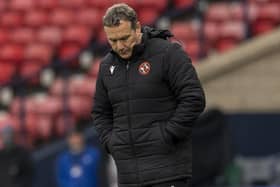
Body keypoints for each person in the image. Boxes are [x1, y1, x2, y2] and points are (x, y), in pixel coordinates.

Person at [91, 3, 206, 187]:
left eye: (124, 38)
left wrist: (167, 134)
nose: (119, 46)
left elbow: (193, 98)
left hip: (167, 172)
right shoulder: (106, 66)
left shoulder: (168, 53)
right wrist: (112, 143)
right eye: (112, 41)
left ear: (137, 28)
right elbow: (100, 112)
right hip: (129, 177)